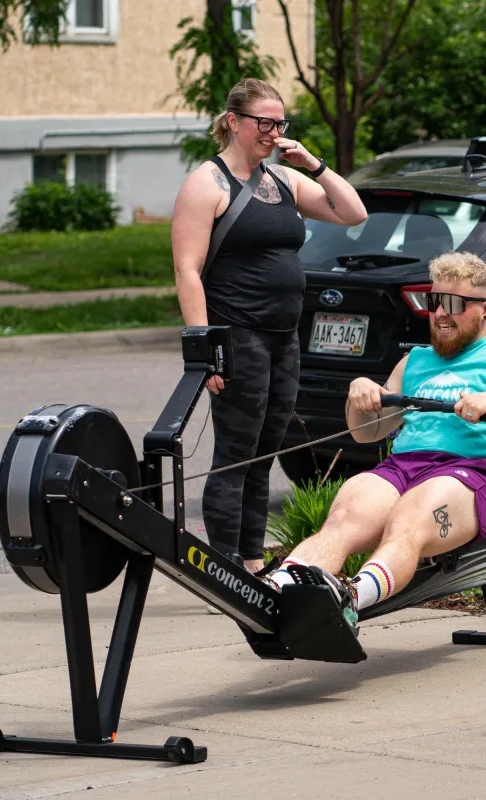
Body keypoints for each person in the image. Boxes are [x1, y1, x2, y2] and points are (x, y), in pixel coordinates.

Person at [261, 252, 486, 627]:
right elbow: (366, 432)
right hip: (403, 468)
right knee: (346, 514)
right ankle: (273, 594)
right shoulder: (414, 362)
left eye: (454, 305)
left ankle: (350, 599)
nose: (440, 314)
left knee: (410, 518)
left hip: (474, 474)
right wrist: (360, 395)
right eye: (434, 301)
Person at [171, 78, 367, 584]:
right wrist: (204, 347)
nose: (274, 133)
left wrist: (313, 164)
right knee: (236, 452)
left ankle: (252, 560)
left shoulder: (282, 180)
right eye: (264, 123)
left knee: (267, 452)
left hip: (284, 335)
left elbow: (353, 212)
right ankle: (222, 566)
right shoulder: (206, 185)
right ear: (233, 121)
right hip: (237, 334)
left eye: (280, 123)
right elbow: (188, 270)